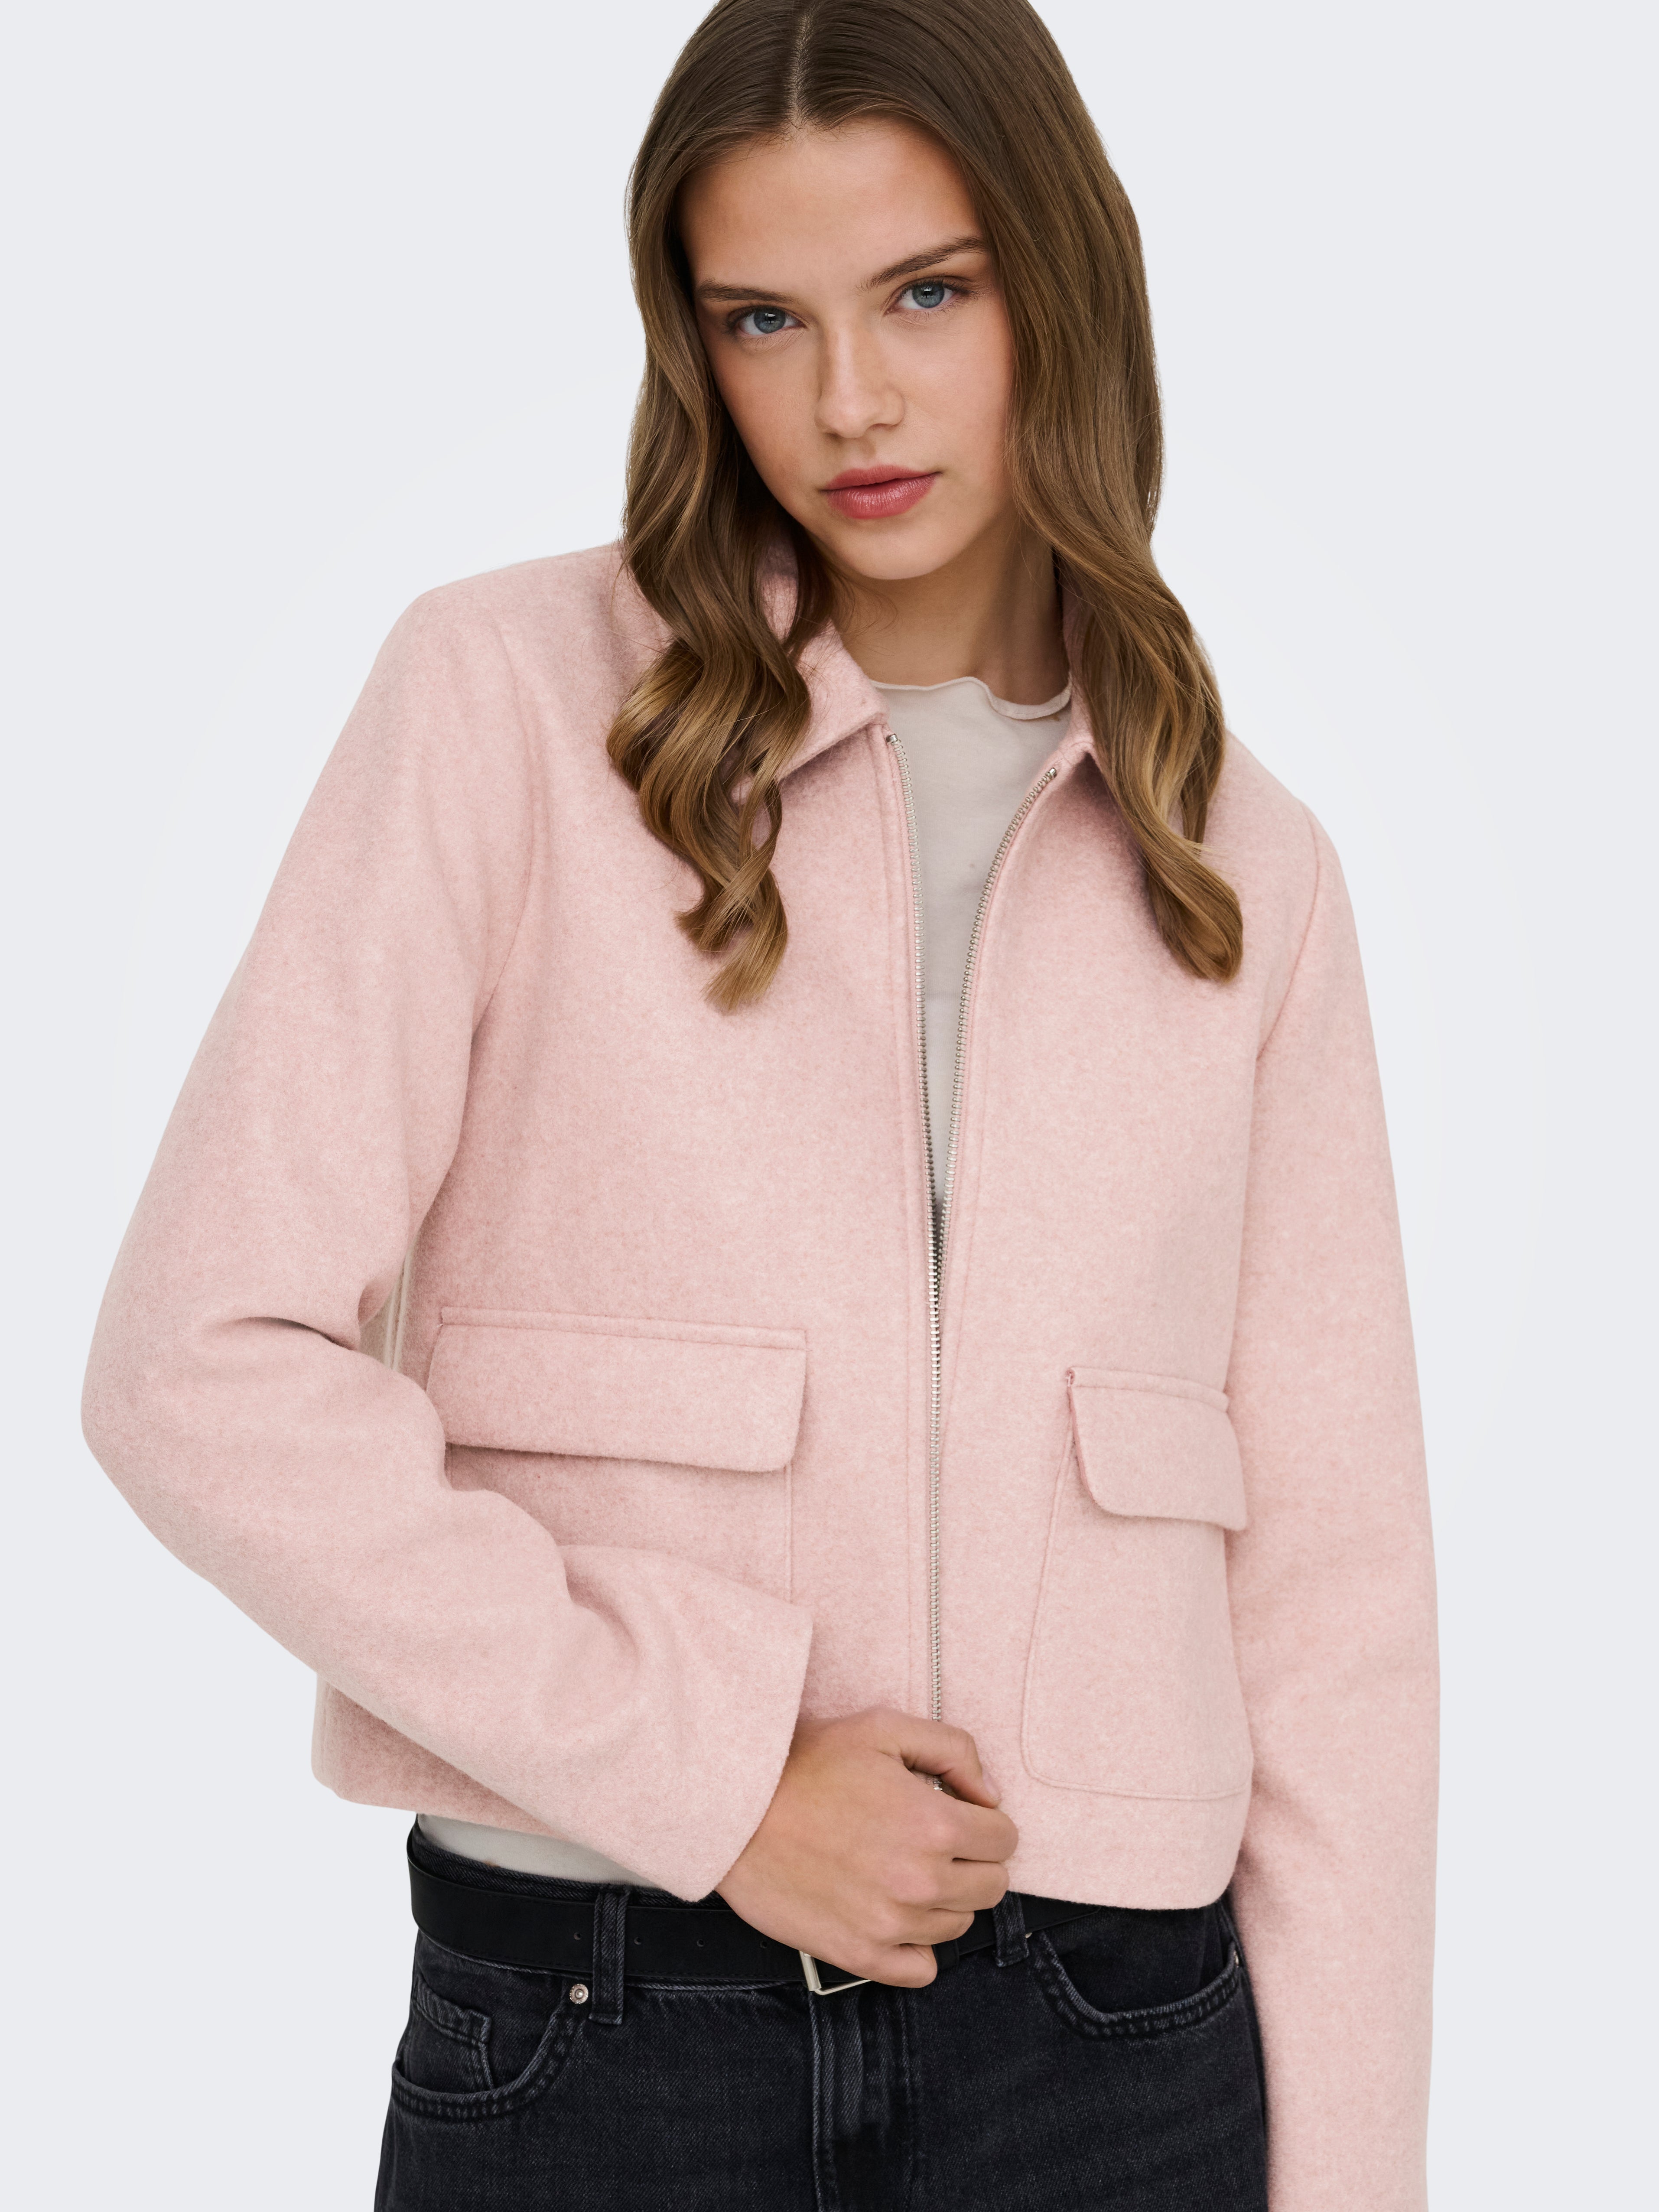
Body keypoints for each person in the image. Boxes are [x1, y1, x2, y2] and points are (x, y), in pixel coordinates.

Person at [82, 1, 1438, 2205]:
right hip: (610, 2015)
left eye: (929, 293)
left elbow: (1338, 1612)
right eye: (763, 319)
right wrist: (712, 1776)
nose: (851, 400)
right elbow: (197, 1365)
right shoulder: (507, 709)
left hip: (1116, 2055)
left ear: (1062, 283)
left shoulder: (1244, 869)